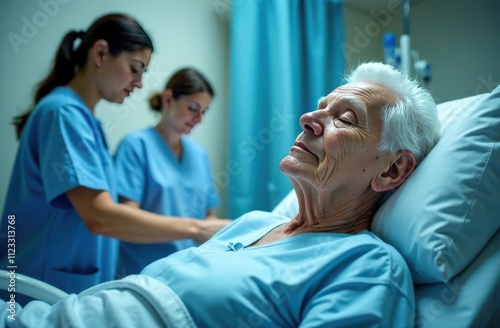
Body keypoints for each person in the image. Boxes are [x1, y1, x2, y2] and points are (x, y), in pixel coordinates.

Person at [0, 62, 441, 327]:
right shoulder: (253, 223)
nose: (309, 117)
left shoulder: (366, 265)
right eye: (319, 106)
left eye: (345, 117)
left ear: (393, 169)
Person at [0, 13, 229, 301]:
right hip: (38, 288)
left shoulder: (88, 124)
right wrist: (196, 228)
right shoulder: (63, 114)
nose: (141, 83)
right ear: (100, 53)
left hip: (71, 286)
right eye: (135, 68)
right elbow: (100, 217)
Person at [113, 68, 226, 275]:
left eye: (204, 111)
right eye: (193, 108)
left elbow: (206, 215)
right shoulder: (135, 146)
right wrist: (195, 229)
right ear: (168, 99)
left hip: (189, 272)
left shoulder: (198, 155)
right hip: (142, 274)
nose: (199, 118)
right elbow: (126, 220)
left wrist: (231, 229)